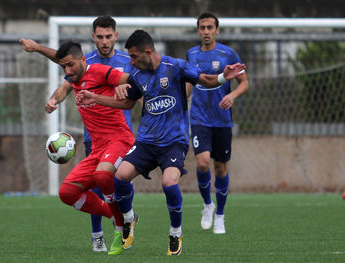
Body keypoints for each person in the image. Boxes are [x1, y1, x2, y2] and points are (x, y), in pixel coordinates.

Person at [75, 29, 245, 255]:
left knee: (168, 182)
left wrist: (224, 77)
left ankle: (175, 233)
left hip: (174, 141)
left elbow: (206, 80)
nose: (131, 62)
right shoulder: (137, 74)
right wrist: (95, 98)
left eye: (134, 56)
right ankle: (129, 218)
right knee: (119, 176)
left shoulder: (175, 66)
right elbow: (127, 103)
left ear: (147, 52)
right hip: (146, 141)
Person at [20, 15, 134, 252]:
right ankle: (102, 231)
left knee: (116, 182)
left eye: (108, 36)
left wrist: (130, 88)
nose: (104, 41)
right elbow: (63, 67)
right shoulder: (78, 67)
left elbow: (139, 81)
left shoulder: (120, 63)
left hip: (120, 136)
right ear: (93, 38)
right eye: (99, 36)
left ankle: (124, 221)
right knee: (81, 189)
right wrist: (54, 99)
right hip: (95, 139)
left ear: (115, 36)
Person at [44, 40, 136, 255]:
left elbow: (133, 82)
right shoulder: (73, 78)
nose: (68, 70)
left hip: (119, 139)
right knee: (67, 193)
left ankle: (122, 227)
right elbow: (63, 82)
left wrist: (124, 85)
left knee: (103, 176)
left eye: (70, 65)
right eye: (64, 67)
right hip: (98, 147)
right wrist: (53, 100)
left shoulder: (100, 71)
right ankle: (116, 216)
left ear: (83, 60)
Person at [186, 13, 249, 234]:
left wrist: (232, 96)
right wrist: (182, 98)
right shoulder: (191, 54)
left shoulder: (228, 53)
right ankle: (207, 205)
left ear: (217, 30)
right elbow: (189, 83)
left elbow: (244, 82)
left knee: (220, 168)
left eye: (210, 27)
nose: (206, 31)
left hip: (222, 120)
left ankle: (220, 215)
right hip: (199, 118)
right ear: (198, 31)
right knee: (202, 163)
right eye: (202, 27)